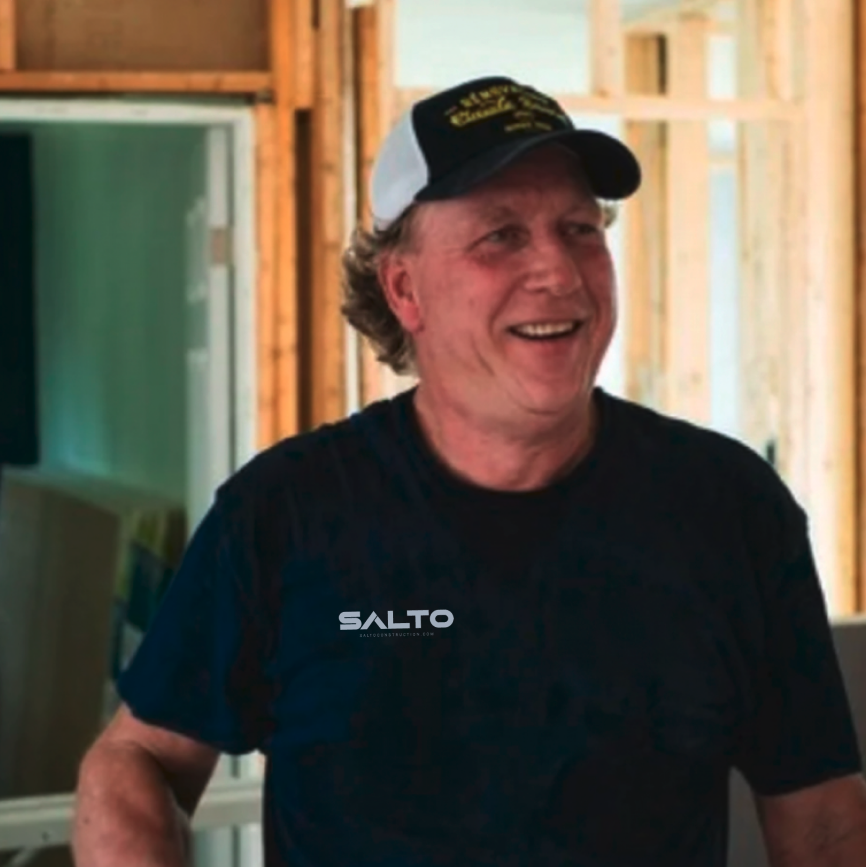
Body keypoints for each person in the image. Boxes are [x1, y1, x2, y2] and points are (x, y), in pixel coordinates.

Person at [72, 75, 866, 867]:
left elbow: (825, 818)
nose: (559, 270)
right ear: (406, 288)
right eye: (502, 236)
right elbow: (135, 760)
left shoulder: (729, 507)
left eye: (580, 229)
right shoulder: (287, 512)